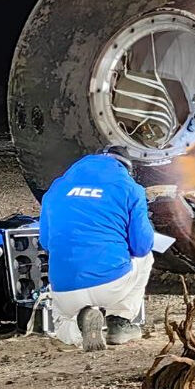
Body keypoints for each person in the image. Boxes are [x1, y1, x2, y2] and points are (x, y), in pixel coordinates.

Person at [39, 146, 154, 352]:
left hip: (65, 288)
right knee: (147, 258)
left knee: (61, 322)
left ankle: (78, 326)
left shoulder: (56, 188)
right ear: (126, 168)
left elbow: (46, 243)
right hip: (112, 284)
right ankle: (120, 322)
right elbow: (142, 246)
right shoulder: (130, 188)